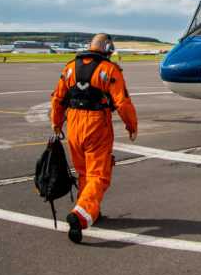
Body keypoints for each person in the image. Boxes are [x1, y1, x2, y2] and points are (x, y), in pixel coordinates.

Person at [50, 33, 138, 244]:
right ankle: (80, 214)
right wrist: (131, 126)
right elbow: (122, 103)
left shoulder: (70, 67)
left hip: (73, 124)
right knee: (99, 175)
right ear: (107, 47)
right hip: (97, 124)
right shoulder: (109, 69)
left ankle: (92, 210)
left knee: (84, 172)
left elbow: (58, 98)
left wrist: (57, 123)